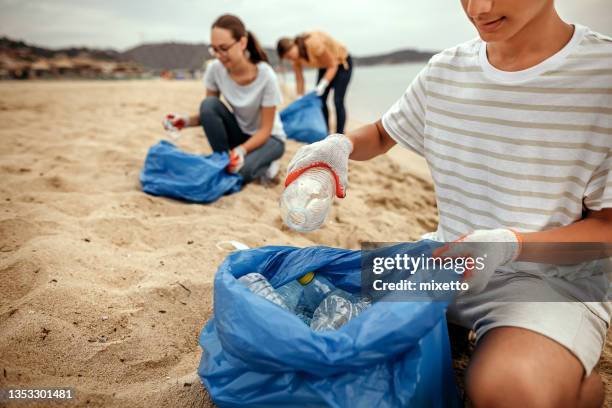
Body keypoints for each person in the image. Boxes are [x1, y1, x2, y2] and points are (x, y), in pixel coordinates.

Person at [283, 1, 612, 406]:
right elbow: (385, 133)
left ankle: (572, 380)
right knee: (315, 315)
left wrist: (510, 244)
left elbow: (606, 229)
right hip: (445, 260)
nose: (480, 7)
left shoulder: (603, 76)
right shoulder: (445, 70)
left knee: (506, 391)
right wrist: (340, 146)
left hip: (548, 283)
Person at [163, 14, 285, 183]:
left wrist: (241, 151)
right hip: (240, 133)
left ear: (242, 43)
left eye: (224, 48)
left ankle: (266, 164)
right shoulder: (215, 69)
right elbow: (209, 114)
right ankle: (223, 159)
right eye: (214, 49)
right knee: (209, 104)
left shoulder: (266, 76)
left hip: (270, 139)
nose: (219, 55)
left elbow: (265, 130)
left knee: (242, 173)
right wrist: (184, 121)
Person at [277, 31, 352, 133]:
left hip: (341, 62)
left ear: (293, 45)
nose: (291, 59)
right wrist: (300, 97)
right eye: (287, 58)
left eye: (289, 55)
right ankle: (326, 132)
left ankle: (340, 134)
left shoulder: (313, 43)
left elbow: (333, 65)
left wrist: (323, 84)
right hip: (325, 66)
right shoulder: (296, 59)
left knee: (338, 101)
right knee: (320, 99)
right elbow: (299, 79)